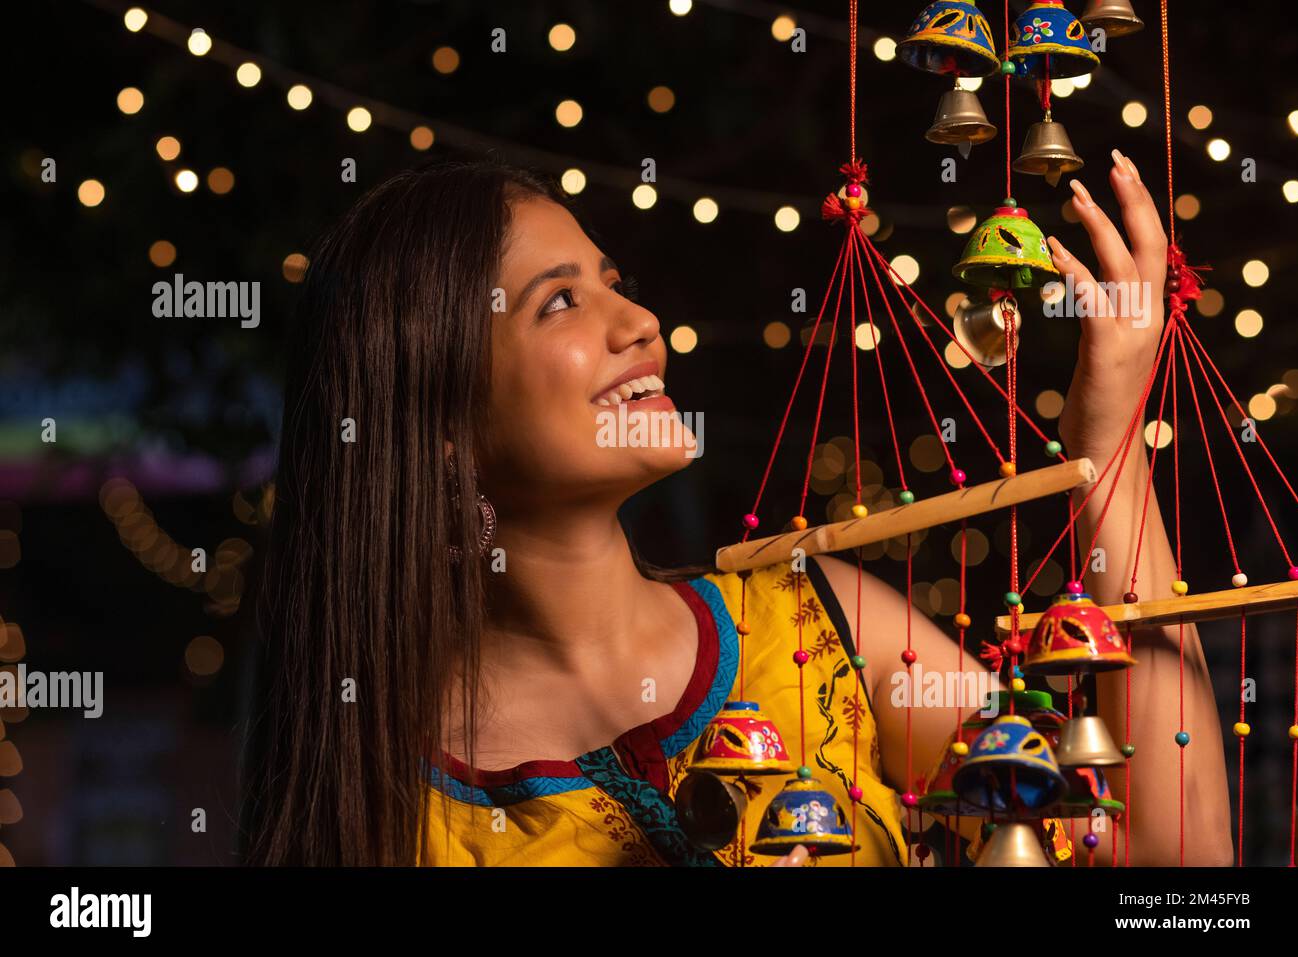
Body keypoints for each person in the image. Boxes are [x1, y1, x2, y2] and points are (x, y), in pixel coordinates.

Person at [239, 153, 1232, 866]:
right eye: (559, 302)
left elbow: (1165, 855)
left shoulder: (816, 624)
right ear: (440, 424)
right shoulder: (389, 816)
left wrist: (1107, 436)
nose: (640, 325)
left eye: (613, 284)